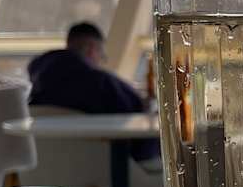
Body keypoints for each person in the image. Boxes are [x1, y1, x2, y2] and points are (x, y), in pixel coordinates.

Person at [28, 22, 159, 162]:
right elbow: (139, 136)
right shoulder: (103, 84)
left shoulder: (37, 85)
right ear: (92, 48)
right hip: (110, 169)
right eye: (101, 56)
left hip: (48, 166)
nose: (100, 62)